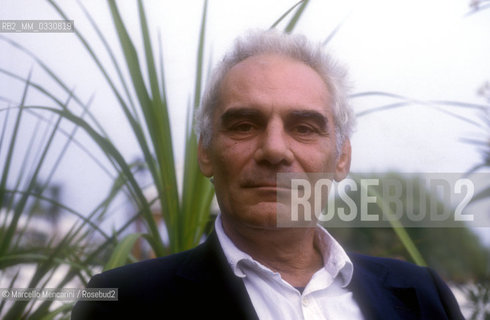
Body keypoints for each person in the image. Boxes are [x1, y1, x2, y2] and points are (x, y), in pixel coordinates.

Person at [71, 29, 464, 319]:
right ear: (205, 153)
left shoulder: (423, 295)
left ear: (341, 158)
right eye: (244, 125)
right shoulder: (121, 303)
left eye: (304, 128)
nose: (274, 149)